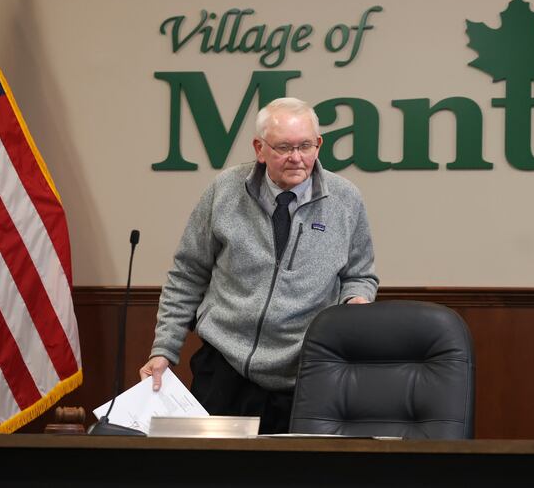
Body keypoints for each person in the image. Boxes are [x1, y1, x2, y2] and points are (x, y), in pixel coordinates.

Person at [139, 97, 378, 433]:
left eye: (306, 146)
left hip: (304, 373)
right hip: (224, 367)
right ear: (259, 148)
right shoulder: (224, 191)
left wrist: (355, 303)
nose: (297, 158)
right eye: (283, 147)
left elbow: (359, 275)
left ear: (319, 144)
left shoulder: (346, 200)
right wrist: (164, 349)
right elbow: (187, 275)